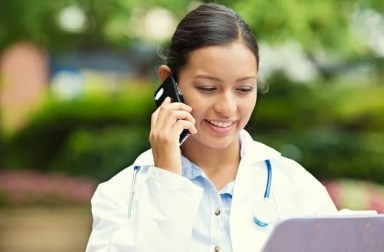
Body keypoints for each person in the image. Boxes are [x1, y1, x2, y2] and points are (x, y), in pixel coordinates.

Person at [86, 3, 337, 252]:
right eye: (208, 88)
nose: (227, 108)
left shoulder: (297, 187)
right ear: (169, 83)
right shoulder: (120, 194)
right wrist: (167, 182)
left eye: (244, 89)